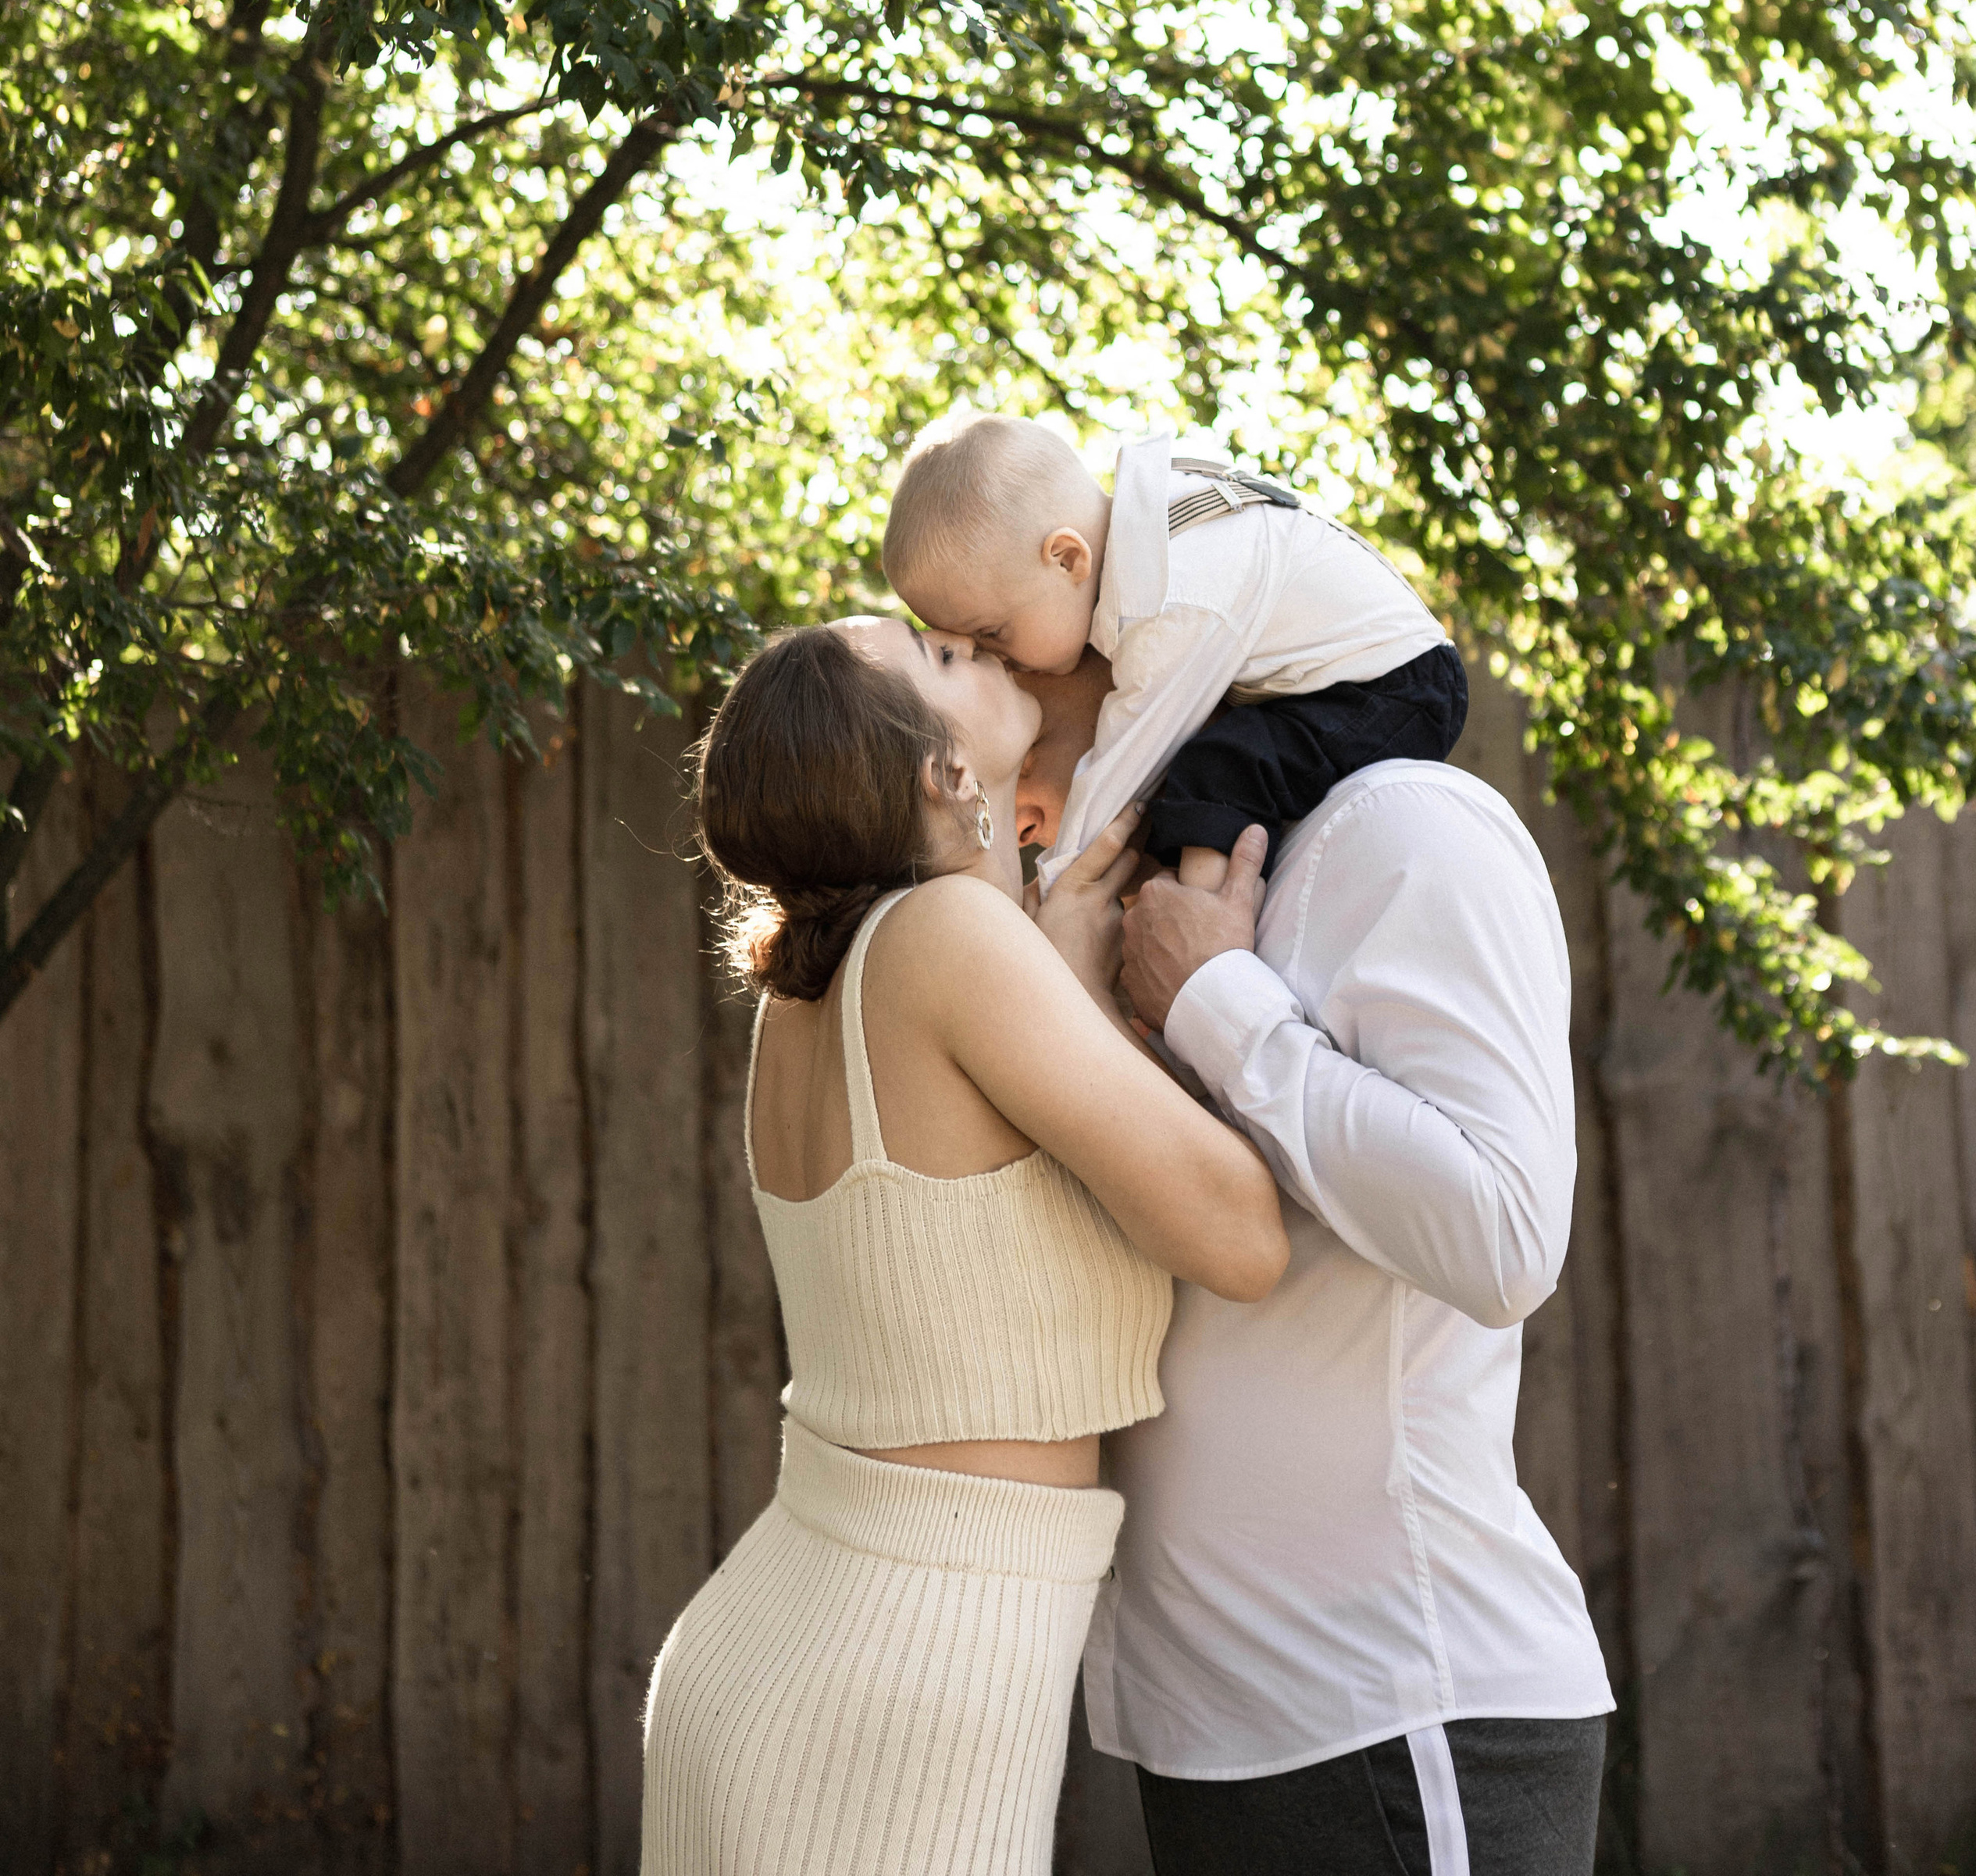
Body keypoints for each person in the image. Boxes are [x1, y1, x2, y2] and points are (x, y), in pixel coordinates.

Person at [639, 616, 1289, 1876]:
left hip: (802, 1645)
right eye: (934, 661)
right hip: (901, 1671)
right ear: (943, 775)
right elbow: (1246, 1237)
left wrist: (1067, 975)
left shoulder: (812, 994)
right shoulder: (946, 944)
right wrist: (1213, 990)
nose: (961, 639)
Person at [1017, 673, 1615, 1876]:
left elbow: (1505, 1239)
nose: (980, 677)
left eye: (990, 640)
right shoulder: (1102, 922)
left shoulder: (1404, 831)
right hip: (1212, 1728)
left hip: (1394, 1708)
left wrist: (1218, 1004)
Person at [883, 415, 1467, 897]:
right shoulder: (1158, 529)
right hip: (1369, 674)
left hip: (1396, 686)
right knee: (1228, 763)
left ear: (1066, 559)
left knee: (1220, 769)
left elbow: (1123, 765)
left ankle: (1207, 917)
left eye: (994, 634)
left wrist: (1061, 885)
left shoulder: (1171, 597)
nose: (1003, 662)